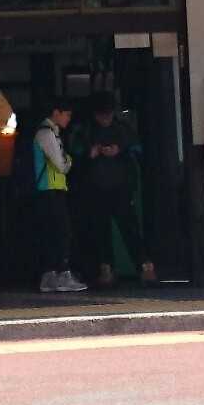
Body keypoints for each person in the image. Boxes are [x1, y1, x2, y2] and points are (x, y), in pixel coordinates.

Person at [77, 94, 157, 288]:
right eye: (102, 115)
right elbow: (74, 151)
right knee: (101, 230)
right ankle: (106, 269)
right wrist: (90, 153)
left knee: (130, 228)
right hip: (96, 188)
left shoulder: (123, 128)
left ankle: (145, 267)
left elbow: (139, 149)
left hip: (121, 187)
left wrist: (119, 149)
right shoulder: (86, 130)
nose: (105, 119)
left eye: (108, 115)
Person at [33, 100, 87, 295]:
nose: (68, 119)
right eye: (67, 114)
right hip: (51, 189)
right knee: (62, 232)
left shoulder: (49, 132)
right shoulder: (47, 134)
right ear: (56, 112)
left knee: (52, 233)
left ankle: (50, 277)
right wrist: (69, 160)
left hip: (49, 189)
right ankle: (62, 274)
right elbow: (62, 165)